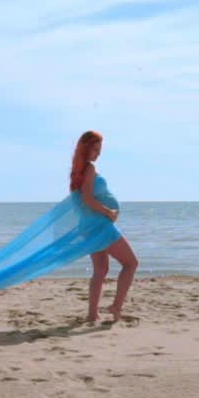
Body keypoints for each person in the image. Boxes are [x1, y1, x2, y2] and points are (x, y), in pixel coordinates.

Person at [70, 131, 138, 323]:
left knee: (100, 270)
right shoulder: (89, 169)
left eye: (100, 150)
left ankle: (92, 314)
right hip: (100, 226)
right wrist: (109, 212)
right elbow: (87, 199)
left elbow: (81, 203)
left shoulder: (77, 171)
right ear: (86, 148)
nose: (98, 153)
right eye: (95, 149)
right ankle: (116, 306)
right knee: (131, 263)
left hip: (90, 226)